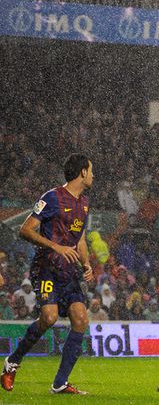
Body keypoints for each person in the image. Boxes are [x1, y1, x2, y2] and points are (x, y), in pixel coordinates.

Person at [2, 153, 95, 394]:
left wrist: (86, 264)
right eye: (91, 170)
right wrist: (56, 246)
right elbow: (26, 230)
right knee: (50, 318)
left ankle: (60, 383)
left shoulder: (84, 203)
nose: (93, 175)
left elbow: (80, 239)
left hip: (69, 273)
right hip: (46, 268)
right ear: (82, 172)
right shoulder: (52, 197)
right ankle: (13, 361)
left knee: (81, 319)